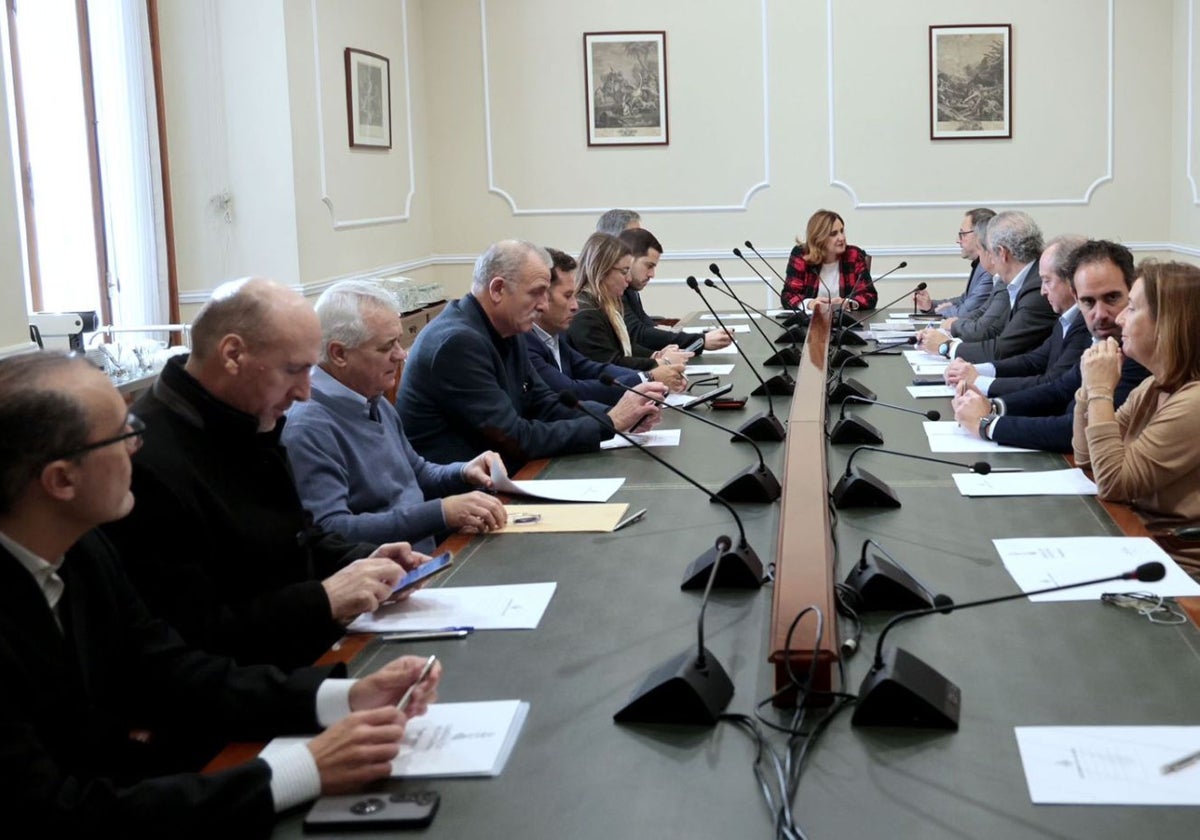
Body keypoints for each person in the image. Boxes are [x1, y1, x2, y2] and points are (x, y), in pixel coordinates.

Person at [0, 351, 441, 837]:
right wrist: (301, 771)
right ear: (61, 480)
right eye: (124, 432)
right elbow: (55, 813)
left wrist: (345, 696)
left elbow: (170, 669)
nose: (138, 445)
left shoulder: (83, 545)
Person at [103, 278, 427, 670]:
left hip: (308, 659)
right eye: (294, 370)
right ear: (233, 354)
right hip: (254, 690)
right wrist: (323, 599)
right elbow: (195, 634)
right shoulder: (149, 460)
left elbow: (296, 536)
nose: (305, 393)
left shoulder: (248, 415)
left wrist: (363, 559)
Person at [283, 280, 508, 553]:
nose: (401, 355)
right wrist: (440, 513)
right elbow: (332, 530)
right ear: (339, 353)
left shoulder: (371, 396)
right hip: (382, 579)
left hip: (423, 560)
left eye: (399, 342)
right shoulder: (308, 426)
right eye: (386, 347)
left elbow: (417, 473)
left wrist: (463, 472)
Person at [396, 240, 663, 468]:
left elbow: (545, 403)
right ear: (498, 289)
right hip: (465, 501)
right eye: (536, 293)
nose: (544, 305)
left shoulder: (507, 327)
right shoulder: (458, 343)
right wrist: (610, 422)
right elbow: (513, 437)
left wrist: (619, 415)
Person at [952, 240, 1150, 452]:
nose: (1100, 314)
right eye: (1088, 302)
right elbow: (1059, 390)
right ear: (1076, 298)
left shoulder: (1136, 351)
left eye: (1112, 298)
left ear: (1132, 293)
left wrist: (988, 424)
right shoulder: (1100, 339)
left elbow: (1076, 433)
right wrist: (993, 406)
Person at [1073, 260, 1200, 576]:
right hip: (1136, 540)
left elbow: (1114, 482)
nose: (1119, 318)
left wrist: (1102, 391)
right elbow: (1085, 456)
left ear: (1168, 323)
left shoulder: (1195, 401)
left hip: (1173, 564)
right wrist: (1087, 391)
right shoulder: (1153, 385)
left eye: (1132, 308)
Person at [524, 248, 684, 404]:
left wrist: (650, 376)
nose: (575, 306)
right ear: (541, 297)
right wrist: (649, 378)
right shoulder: (526, 343)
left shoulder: (555, 336)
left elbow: (593, 369)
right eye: (567, 296)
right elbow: (570, 391)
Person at [943, 235, 1089, 396]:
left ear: (1072, 281)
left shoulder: (1085, 323)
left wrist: (979, 384)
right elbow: (1035, 360)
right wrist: (973, 370)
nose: (1043, 291)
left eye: (1047, 281)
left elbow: (1053, 384)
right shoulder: (1067, 318)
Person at [918, 210, 1055, 362]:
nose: (989, 259)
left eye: (987, 250)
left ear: (1002, 253)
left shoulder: (1036, 291)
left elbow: (1002, 348)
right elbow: (991, 325)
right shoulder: (1019, 280)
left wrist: (946, 346)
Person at [567, 232, 694, 371]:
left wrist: (656, 355)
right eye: (624, 271)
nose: (628, 278)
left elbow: (624, 346)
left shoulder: (602, 304)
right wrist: (663, 363)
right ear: (602, 270)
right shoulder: (586, 313)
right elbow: (612, 364)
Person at [617, 228, 732, 352]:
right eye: (649, 266)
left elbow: (646, 325)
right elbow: (639, 334)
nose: (652, 274)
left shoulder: (630, 291)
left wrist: (697, 336)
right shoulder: (616, 291)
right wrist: (700, 340)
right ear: (629, 260)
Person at [780, 209, 877, 313]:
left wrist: (848, 302)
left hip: (845, 323)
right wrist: (810, 303)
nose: (842, 238)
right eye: (834, 234)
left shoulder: (854, 255)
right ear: (819, 237)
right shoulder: (802, 255)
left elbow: (869, 296)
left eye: (842, 231)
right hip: (809, 323)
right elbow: (788, 296)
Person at [914, 208, 996, 317]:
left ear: (980, 235)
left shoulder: (989, 270)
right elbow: (964, 300)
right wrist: (930, 306)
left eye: (963, 234)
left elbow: (964, 313)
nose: (958, 240)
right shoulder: (980, 265)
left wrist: (941, 310)